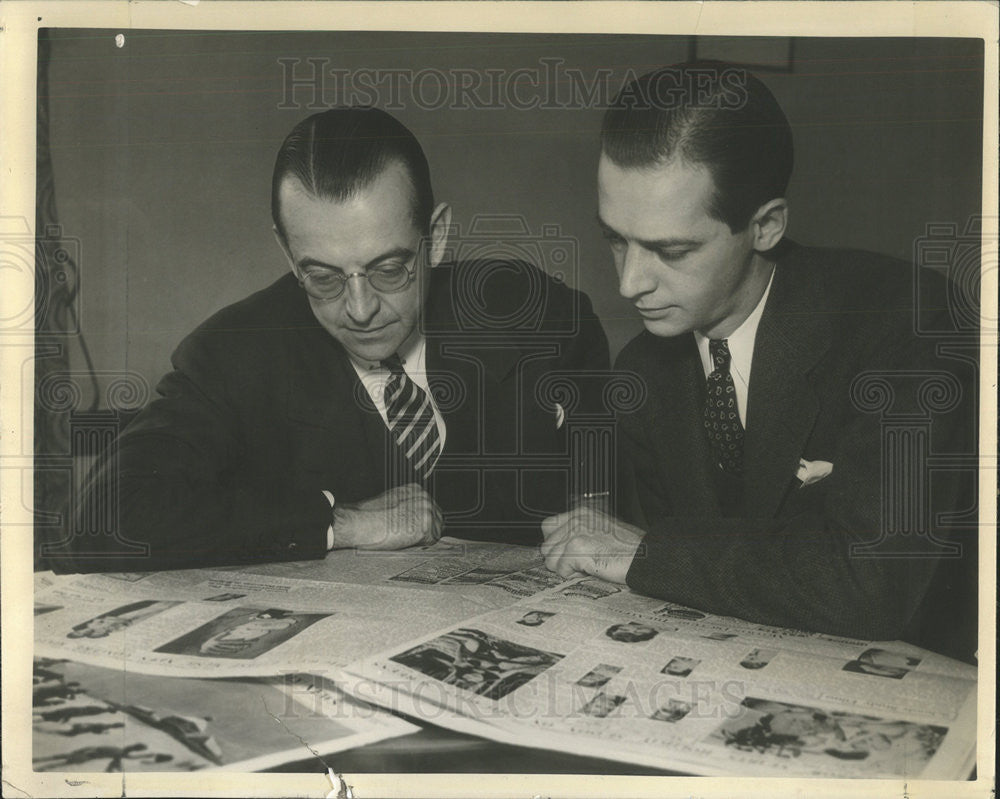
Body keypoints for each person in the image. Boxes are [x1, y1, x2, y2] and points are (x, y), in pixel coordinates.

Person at [540, 61, 977, 661]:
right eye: (616, 239)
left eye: (670, 250)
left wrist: (640, 554)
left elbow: (872, 589)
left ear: (766, 225)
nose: (629, 283)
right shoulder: (643, 370)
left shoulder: (906, 325)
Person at [53, 107, 608, 573]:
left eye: (390, 269)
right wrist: (337, 522)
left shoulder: (534, 314)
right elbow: (107, 516)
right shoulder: (232, 355)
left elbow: (609, 500)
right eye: (322, 277)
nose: (361, 309)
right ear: (286, 252)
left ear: (435, 237)